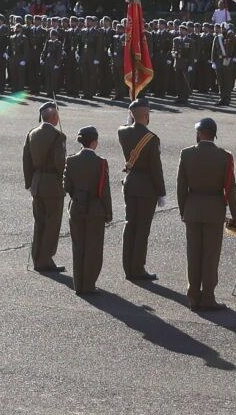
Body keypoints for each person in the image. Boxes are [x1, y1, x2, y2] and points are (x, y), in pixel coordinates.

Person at [177, 116, 236, 310]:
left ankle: (193, 297)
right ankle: (208, 297)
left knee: (193, 254)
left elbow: (181, 187)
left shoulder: (186, 154)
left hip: (192, 208)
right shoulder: (224, 156)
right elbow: (230, 188)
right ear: (215, 135)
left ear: (199, 133)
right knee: (210, 255)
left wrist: (184, 211)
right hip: (215, 209)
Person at [117, 97, 164, 282]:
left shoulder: (122, 133)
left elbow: (123, 127)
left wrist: (130, 118)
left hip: (130, 182)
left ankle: (128, 267)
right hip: (146, 188)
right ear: (146, 115)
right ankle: (138, 268)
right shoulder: (151, 139)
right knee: (142, 229)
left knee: (130, 226)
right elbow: (156, 168)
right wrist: (161, 192)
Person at [64, 125, 112, 296]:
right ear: (93, 142)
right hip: (95, 209)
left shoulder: (70, 160)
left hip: (76, 207)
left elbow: (67, 186)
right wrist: (108, 212)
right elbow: (104, 191)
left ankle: (78, 284)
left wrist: (77, 196)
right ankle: (89, 284)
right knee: (93, 248)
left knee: (78, 247)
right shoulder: (101, 163)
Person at [24, 103, 67, 274]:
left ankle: (37, 257)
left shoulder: (32, 133)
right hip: (52, 184)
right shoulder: (58, 136)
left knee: (39, 222)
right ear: (54, 117)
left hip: (37, 182)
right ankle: (46, 259)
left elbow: (26, 159)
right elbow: (59, 163)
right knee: (52, 223)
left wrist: (30, 182)